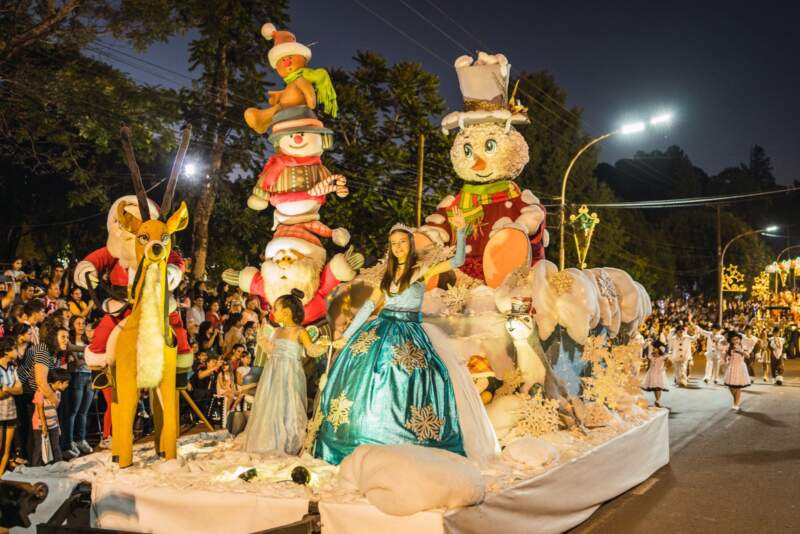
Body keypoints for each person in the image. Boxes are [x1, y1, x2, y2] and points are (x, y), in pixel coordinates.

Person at [315, 212, 499, 466]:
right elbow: (369, 307)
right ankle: (365, 437)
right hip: (382, 330)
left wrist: (459, 231)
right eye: (394, 244)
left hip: (411, 332)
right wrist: (346, 336)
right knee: (370, 381)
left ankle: (408, 440)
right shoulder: (387, 275)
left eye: (402, 242)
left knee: (411, 382)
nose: (398, 247)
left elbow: (457, 260)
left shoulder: (421, 270)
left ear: (410, 245)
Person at [244, 290, 325, 455]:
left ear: (287, 312)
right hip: (273, 373)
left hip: (290, 373)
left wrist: (324, 345)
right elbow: (271, 350)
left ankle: (289, 440)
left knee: (289, 404)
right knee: (272, 404)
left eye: (276, 308)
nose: (273, 311)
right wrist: (261, 340)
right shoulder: (276, 331)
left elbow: (311, 350)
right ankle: (270, 439)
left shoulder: (299, 331)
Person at [16, 317, 69, 461]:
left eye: (67, 337)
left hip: (38, 395)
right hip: (28, 396)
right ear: (53, 338)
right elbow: (41, 382)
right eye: (63, 337)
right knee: (35, 436)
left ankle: (46, 461)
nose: (66, 340)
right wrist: (54, 400)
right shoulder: (42, 350)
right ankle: (34, 465)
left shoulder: (54, 351)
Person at [64, 316, 94, 457]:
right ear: (72, 325)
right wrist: (85, 357)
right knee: (74, 411)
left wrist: (84, 359)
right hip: (77, 376)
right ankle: (70, 441)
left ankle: (81, 439)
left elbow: (92, 358)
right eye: (78, 323)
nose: (81, 326)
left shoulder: (87, 341)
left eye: (83, 323)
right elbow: (77, 363)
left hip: (90, 376)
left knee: (84, 411)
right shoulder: (69, 341)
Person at [32, 368, 70, 466]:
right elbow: (40, 409)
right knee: (39, 448)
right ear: (58, 382)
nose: (67, 385)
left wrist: (57, 425)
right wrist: (44, 426)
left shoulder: (58, 393)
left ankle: (59, 466)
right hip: (40, 425)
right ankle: (36, 467)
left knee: (55, 446)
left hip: (53, 424)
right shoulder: (41, 391)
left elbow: (54, 410)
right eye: (66, 383)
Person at [0, 337, 22, 473]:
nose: (16, 352)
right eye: (14, 349)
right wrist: (12, 389)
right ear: (6, 351)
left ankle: (1, 476)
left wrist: (7, 389)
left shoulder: (13, 368)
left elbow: (20, 390)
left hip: (11, 412)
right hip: (0, 412)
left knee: (6, 449)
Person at [723, 331, 751, 412]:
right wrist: (726, 359)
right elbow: (725, 357)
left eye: (737, 339)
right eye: (734, 339)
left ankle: (736, 404)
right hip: (731, 367)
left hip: (740, 367)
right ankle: (736, 400)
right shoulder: (729, 347)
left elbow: (748, 356)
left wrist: (740, 351)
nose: (736, 341)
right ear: (731, 341)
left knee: (738, 387)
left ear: (740, 339)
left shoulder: (743, 346)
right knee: (731, 387)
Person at [640, 339, 669, 407]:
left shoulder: (663, 357)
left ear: (659, 349)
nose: (653, 349)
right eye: (653, 348)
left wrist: (664, 368)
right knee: (654, 387)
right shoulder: (651, 356)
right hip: (652, 373)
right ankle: (657, 399)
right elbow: (649, 363)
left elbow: (668, 363)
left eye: (655, 348)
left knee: (658, 387)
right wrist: (648, 369)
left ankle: (658, 400)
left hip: (659, 373)